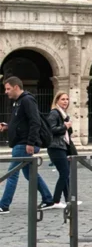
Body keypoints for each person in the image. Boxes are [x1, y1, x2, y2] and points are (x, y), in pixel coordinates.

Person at [0, 77, 55, 214]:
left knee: (12, 174)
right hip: (21, 143)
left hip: (23, 144)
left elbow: (35, 121)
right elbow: (22, 123)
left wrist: (31, 143)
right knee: (31, 174)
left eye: (8, 88)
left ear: (16, 87)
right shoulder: (18, 102)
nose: (6, 92)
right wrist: (8, 127)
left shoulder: (27, 100)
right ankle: (48, 199)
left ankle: (4, 205)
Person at [46, 92, 78, 209]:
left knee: (65, 174)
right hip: (55, 147)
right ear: (57, 101)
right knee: (64, 173)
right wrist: (65, 126)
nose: (65, 101)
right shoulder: (54, 113)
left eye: (67, 99)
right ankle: (56, 200)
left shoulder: (64, 115)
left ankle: (69, 199)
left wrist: (67, 127)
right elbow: (52, 129)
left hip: (63, 146)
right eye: (62, 99)